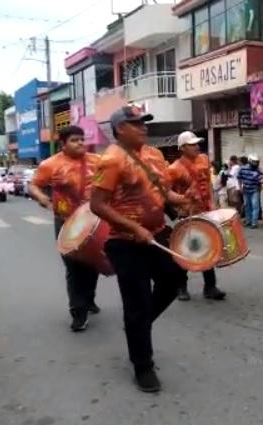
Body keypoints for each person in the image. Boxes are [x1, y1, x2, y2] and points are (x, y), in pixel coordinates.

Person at [90, 106, 192, 392]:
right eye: (136, 123)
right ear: (120, 128)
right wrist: (133, 228)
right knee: (136, 303)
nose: (143, 127)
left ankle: (139, 326)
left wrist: (181, 200)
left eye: (144, 122)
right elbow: (97, 205)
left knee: (173, 281)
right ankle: (142, 365)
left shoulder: (155, 155)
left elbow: (162, 193)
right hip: (125, 242)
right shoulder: (111, 160)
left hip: (158, 233)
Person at [29, 125, 101, 332]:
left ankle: (88, 298)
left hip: (95, 220)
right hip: (66, 221)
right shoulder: (50, 164)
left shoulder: (97, 161)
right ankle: (78, 312)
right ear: (63, 144)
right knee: (73, 266)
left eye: (81, 139)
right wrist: (42, 197)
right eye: (74, 140)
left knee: (93, 263)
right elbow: (33, 185)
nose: (80, 143)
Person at [168, 131, 227, 302]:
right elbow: (166, 192)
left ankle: (210, 287)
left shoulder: (203, 160)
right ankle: (181, 287)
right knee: (185, 252)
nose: (197, 146)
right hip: (186, 215)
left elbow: (207, 183)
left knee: (208, 248)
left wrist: (213, 204)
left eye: (197, 143)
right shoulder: (174, 169)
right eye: (192, 144)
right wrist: (181, 201)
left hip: (204, 212)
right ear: (183, 147)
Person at [238, 154, 263, 229]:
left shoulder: (259, 170)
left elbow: (261, 179)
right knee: (247, 206)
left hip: (255, 190)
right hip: (246, 190)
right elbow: (239, 178)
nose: (255, 163)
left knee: (255, 206)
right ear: (250, 161)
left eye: (256, 162)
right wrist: (240, 187)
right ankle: (248, 221)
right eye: (254, 162)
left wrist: (262, 183)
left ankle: (254, 223)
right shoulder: (242, 169)